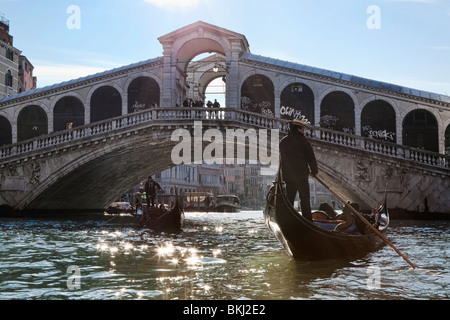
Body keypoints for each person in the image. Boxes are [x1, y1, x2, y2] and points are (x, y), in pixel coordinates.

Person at [279, 117, 318, 221]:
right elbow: (311, 158)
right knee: (305, 200)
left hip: (289, 177)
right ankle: (308, 221)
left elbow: (282, 161)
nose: (303, 131)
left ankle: (287, 220)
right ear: (297, 129)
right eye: (302, 129)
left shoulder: (283, 142)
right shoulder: (304, 142)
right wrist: (314, 171)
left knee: (289, 200)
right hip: (301, 177)